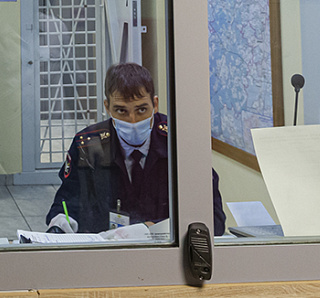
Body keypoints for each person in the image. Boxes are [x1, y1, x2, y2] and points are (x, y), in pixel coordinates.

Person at [46, 62, 226, 235]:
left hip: (165, 250)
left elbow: (214, 220)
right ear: (107, 107)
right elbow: (66, 201)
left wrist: (151, 229)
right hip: (106, 248)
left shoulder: (181, 142)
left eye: (141, 110)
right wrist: (61, 221)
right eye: (121, 111)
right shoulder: (88, 145)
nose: (132, 120)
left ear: (155, 104)